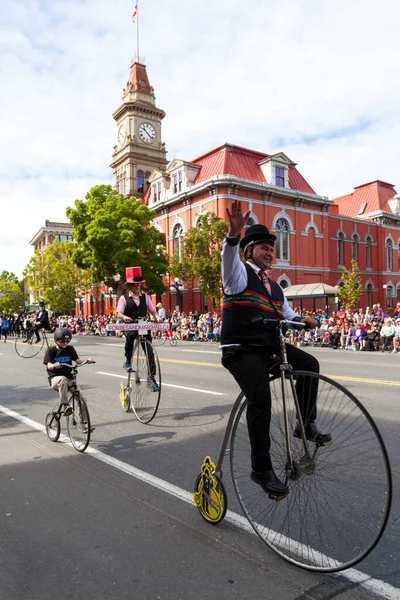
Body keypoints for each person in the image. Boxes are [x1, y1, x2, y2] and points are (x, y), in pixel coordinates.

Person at [220, 200, 331, 497]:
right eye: (263, 247)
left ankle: (304, 424)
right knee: (260, 399)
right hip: (241, 350)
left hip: (269, 346)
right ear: (249, 251)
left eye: (272, 247)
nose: (270, 251)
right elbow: (228, 257)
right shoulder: (238, 273)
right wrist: (233, 235)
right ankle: (261, 469)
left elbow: (286, 316)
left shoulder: (276, 288)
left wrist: (304, 321)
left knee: (310, 364)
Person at [116, 266, 161, 391]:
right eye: (135, 285)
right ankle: (128, 361)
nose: (138, 287)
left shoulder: (145, 297)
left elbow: (152, 311)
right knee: (130, 336)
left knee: (149, 352)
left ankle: (152, 378)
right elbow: (118, 313)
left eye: (139, 285)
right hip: (131, 324)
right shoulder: (123, 298)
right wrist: (124, 317)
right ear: (130, 285)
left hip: (143, 324)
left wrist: (157, 317)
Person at [43, 328, 95, 415]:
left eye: (67, 341)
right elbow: (48, 365)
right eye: (63, 341)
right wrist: (53, 365)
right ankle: (66, 405)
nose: (65, 343)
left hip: (69, 378)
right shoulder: (51, 351)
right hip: (55, 379)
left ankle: (84, 424)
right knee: (62, 379)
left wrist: (87, 361)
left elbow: (77, 360)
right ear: (56, 340)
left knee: (82, 400)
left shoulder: (70, 349)